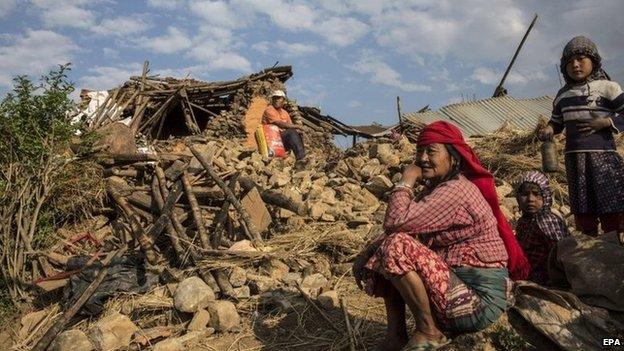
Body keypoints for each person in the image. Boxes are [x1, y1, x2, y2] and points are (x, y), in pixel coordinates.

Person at [353, 121, 529, 351]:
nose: (423, 158)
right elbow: (397, 229)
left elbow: (395, 223)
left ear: (453, 157)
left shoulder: (455, 190)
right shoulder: (437, 190)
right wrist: (366, 254)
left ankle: (429, 331)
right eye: (420, 151)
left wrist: (406, 180)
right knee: (386, 248)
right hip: (457, 288)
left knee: (397, 246)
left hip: (478, 302)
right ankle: (396, 336)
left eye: (431, 151)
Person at [539, 36, 624, 237]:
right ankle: (588, 244)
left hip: (603, 158)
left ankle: (614, 243)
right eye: (569, 62)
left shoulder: (608, 88)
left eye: (580, 59)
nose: (575, 65)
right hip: (575, 159)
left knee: (609, 201)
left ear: (593, 61)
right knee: (582, 204)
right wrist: (550, 129)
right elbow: (557, 122)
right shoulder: (562, 95)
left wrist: (606, 122)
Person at [515, 171, 570, 285]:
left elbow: (561, 254)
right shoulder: (524, 220)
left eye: (536, 194)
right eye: (525, 194)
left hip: (545, 275)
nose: (530, 199)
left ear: (545, 196)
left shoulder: (546, 221)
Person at [262, 90, 306, 161]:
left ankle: (300, 157)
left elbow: (290, 125)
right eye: (274, 98)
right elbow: (279, 123)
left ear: (283, 100)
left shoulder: (285, 113)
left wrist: (298, 130)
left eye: (279, 98)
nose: (276, 100)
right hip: (272, 139)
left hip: (281, 139)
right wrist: (298, 126)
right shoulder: (269, 110)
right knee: (291, 132)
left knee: (297, 133)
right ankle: (301, 159)